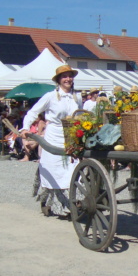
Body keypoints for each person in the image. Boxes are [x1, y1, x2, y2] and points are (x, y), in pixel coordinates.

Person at [21, 65, 82, 217]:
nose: (68, 79)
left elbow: (81, 115)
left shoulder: (77, 97)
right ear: (59, 80)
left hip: (71, 136)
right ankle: (50, 202)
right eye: (64, 76)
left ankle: (69, 203)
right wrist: (25, 127)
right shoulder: (50, 96)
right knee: (53, 170)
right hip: (54, 136)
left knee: (71, 171)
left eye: (69, 76)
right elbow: (33, 112)